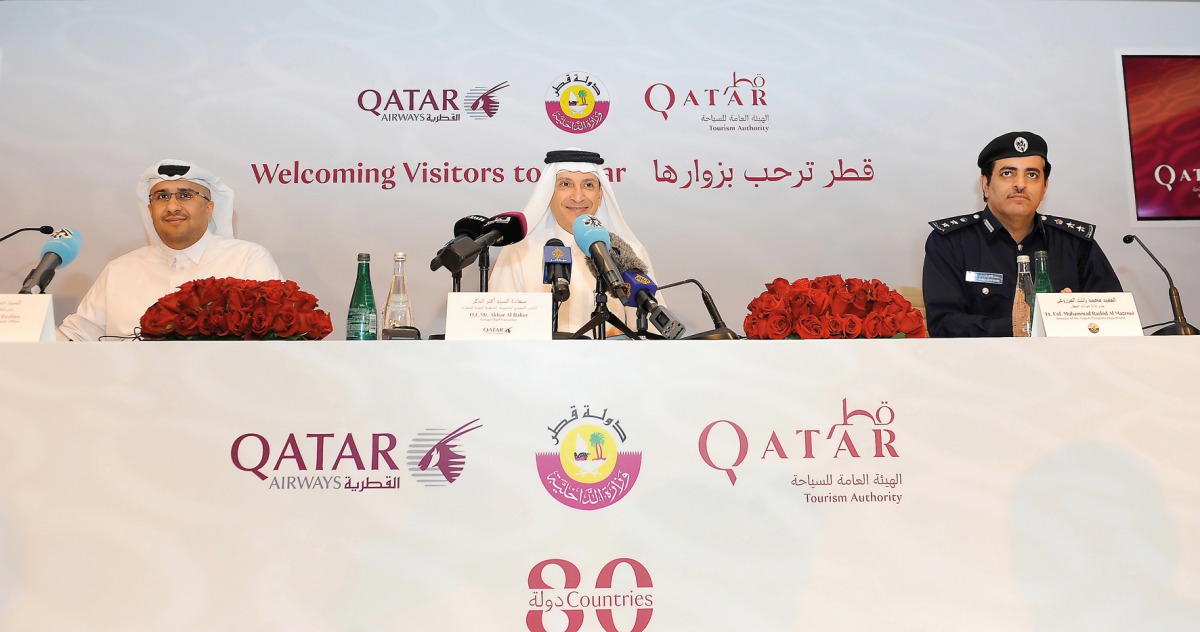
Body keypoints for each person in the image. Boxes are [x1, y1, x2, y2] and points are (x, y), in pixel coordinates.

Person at [922, 131, 1122, 337]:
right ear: (985, 184)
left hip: (1063, 364)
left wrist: (1071, 316)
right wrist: (1027, 327)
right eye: (1007, 173)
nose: (1020, 184)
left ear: (1045, 187)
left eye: (1032, 175)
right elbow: (944, 324)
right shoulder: (950, 242)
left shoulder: (1076, 244)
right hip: (981, 364)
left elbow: (1115, 319)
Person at [58, 159, 282, 341]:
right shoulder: (120, 269)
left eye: (185, 195)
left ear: (209, 208)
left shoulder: (247, 259)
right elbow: (76, 335)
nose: (172, 206)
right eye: (162, 197)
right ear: (150, 209)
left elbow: (277, 337)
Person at [489, 149, 662, 337]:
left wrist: (627, 337)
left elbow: (652, 333)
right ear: (549, 193)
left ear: (600, 195)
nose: (578, 197)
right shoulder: (517, 252)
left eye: (588, 185)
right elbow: (496, 332)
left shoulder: (628, 253)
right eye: (566, 184)